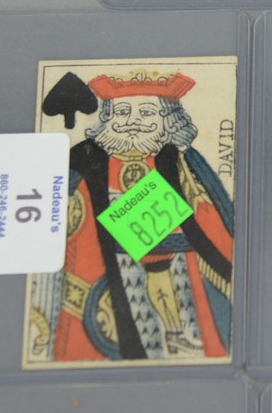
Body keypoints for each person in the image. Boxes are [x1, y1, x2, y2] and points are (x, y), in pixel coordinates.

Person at [28, 71, 234, 362]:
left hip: (181, 270)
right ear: (107, 118)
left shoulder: (179, 161)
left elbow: (210, 215)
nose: (132, 121)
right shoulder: (87, 160)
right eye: (123, 112)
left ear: (168, 120)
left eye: (146, 113)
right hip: (105, 274)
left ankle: (179, 336)